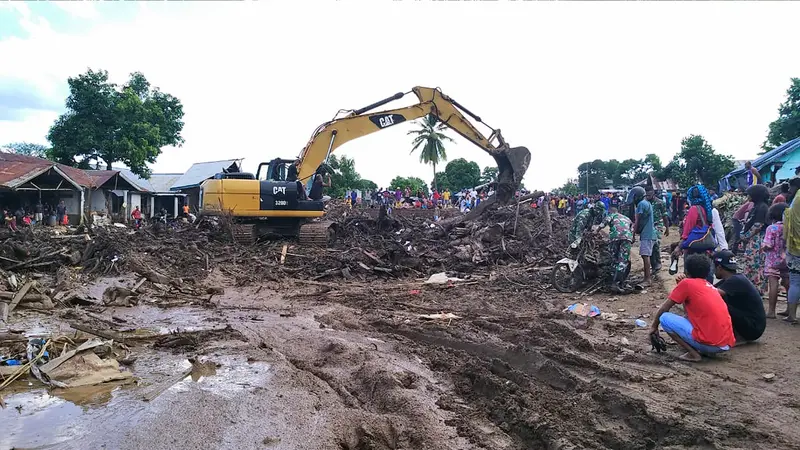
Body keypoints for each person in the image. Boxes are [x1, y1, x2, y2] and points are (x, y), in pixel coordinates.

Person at [649, 254, 735, 362]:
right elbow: (688, 313)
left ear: (687, 271)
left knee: (664, 318)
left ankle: (693, 354)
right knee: (688, 319)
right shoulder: (708, 285)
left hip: (712, 344)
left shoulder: (687, 283)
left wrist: (654, 326)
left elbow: (664, 308)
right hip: (725, 344)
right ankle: (703, 349)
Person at [712, 250, 766, 343]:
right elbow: (709, 289)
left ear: (719, 267)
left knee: (717, 302)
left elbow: (709, 294)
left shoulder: (735, 280)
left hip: (753, 329)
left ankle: (735, 335)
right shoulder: (734, 278)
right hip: (753, 325)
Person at [739, 184, 770, 294]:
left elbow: (758, 225)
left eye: (750, 194)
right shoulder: (758, 206)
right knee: (751, 263)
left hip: (756, 240)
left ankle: (755, 290)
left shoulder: (762, 207)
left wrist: (745, 236)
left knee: (754, 265)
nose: (748, 196)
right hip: (754, 239)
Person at [761, 203, 789, 319]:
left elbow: (768, 245)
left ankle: (771, 311)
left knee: (773, 284)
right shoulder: (788, 227)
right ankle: (789, 309)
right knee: (788, 284)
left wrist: (763, 246)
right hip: (787, 259)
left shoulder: (771, 228)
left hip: (773, 260)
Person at [600, 203, 633, 293]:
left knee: (614, 259)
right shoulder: (626, 218)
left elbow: (602, 224)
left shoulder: (611, 215)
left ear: (610, 210)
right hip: (627, 238)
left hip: (614, 238)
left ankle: (614, 282)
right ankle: (618, 282)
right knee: (623, 260)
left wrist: (595, 232)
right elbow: (631, 229)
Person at [629, 186, 656, 285]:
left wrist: (633, 235)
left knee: (645, 256)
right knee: (646, 255)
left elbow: (637, 221)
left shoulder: (641, 204)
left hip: (647, 234)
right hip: (650, 233)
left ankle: (647, 279)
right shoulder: (647, 203)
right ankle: (647, 277)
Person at [783, 177, 800, 323]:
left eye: (790, 187)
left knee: (795, 282)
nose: (789, 190)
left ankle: (792, 315)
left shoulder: (797, 200)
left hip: (796, 247)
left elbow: (788, 219)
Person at [646, 186, 669, 273]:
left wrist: (667, 228)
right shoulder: (645, 203)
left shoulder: (660, 203)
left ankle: (658, 263)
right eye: (646, 195)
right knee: (649, 245)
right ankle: (653, 265)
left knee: (655, 242)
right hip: (648, 225)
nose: (648, 196)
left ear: (653, 193)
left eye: (649, 194)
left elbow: (664, 215)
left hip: (657, 225)